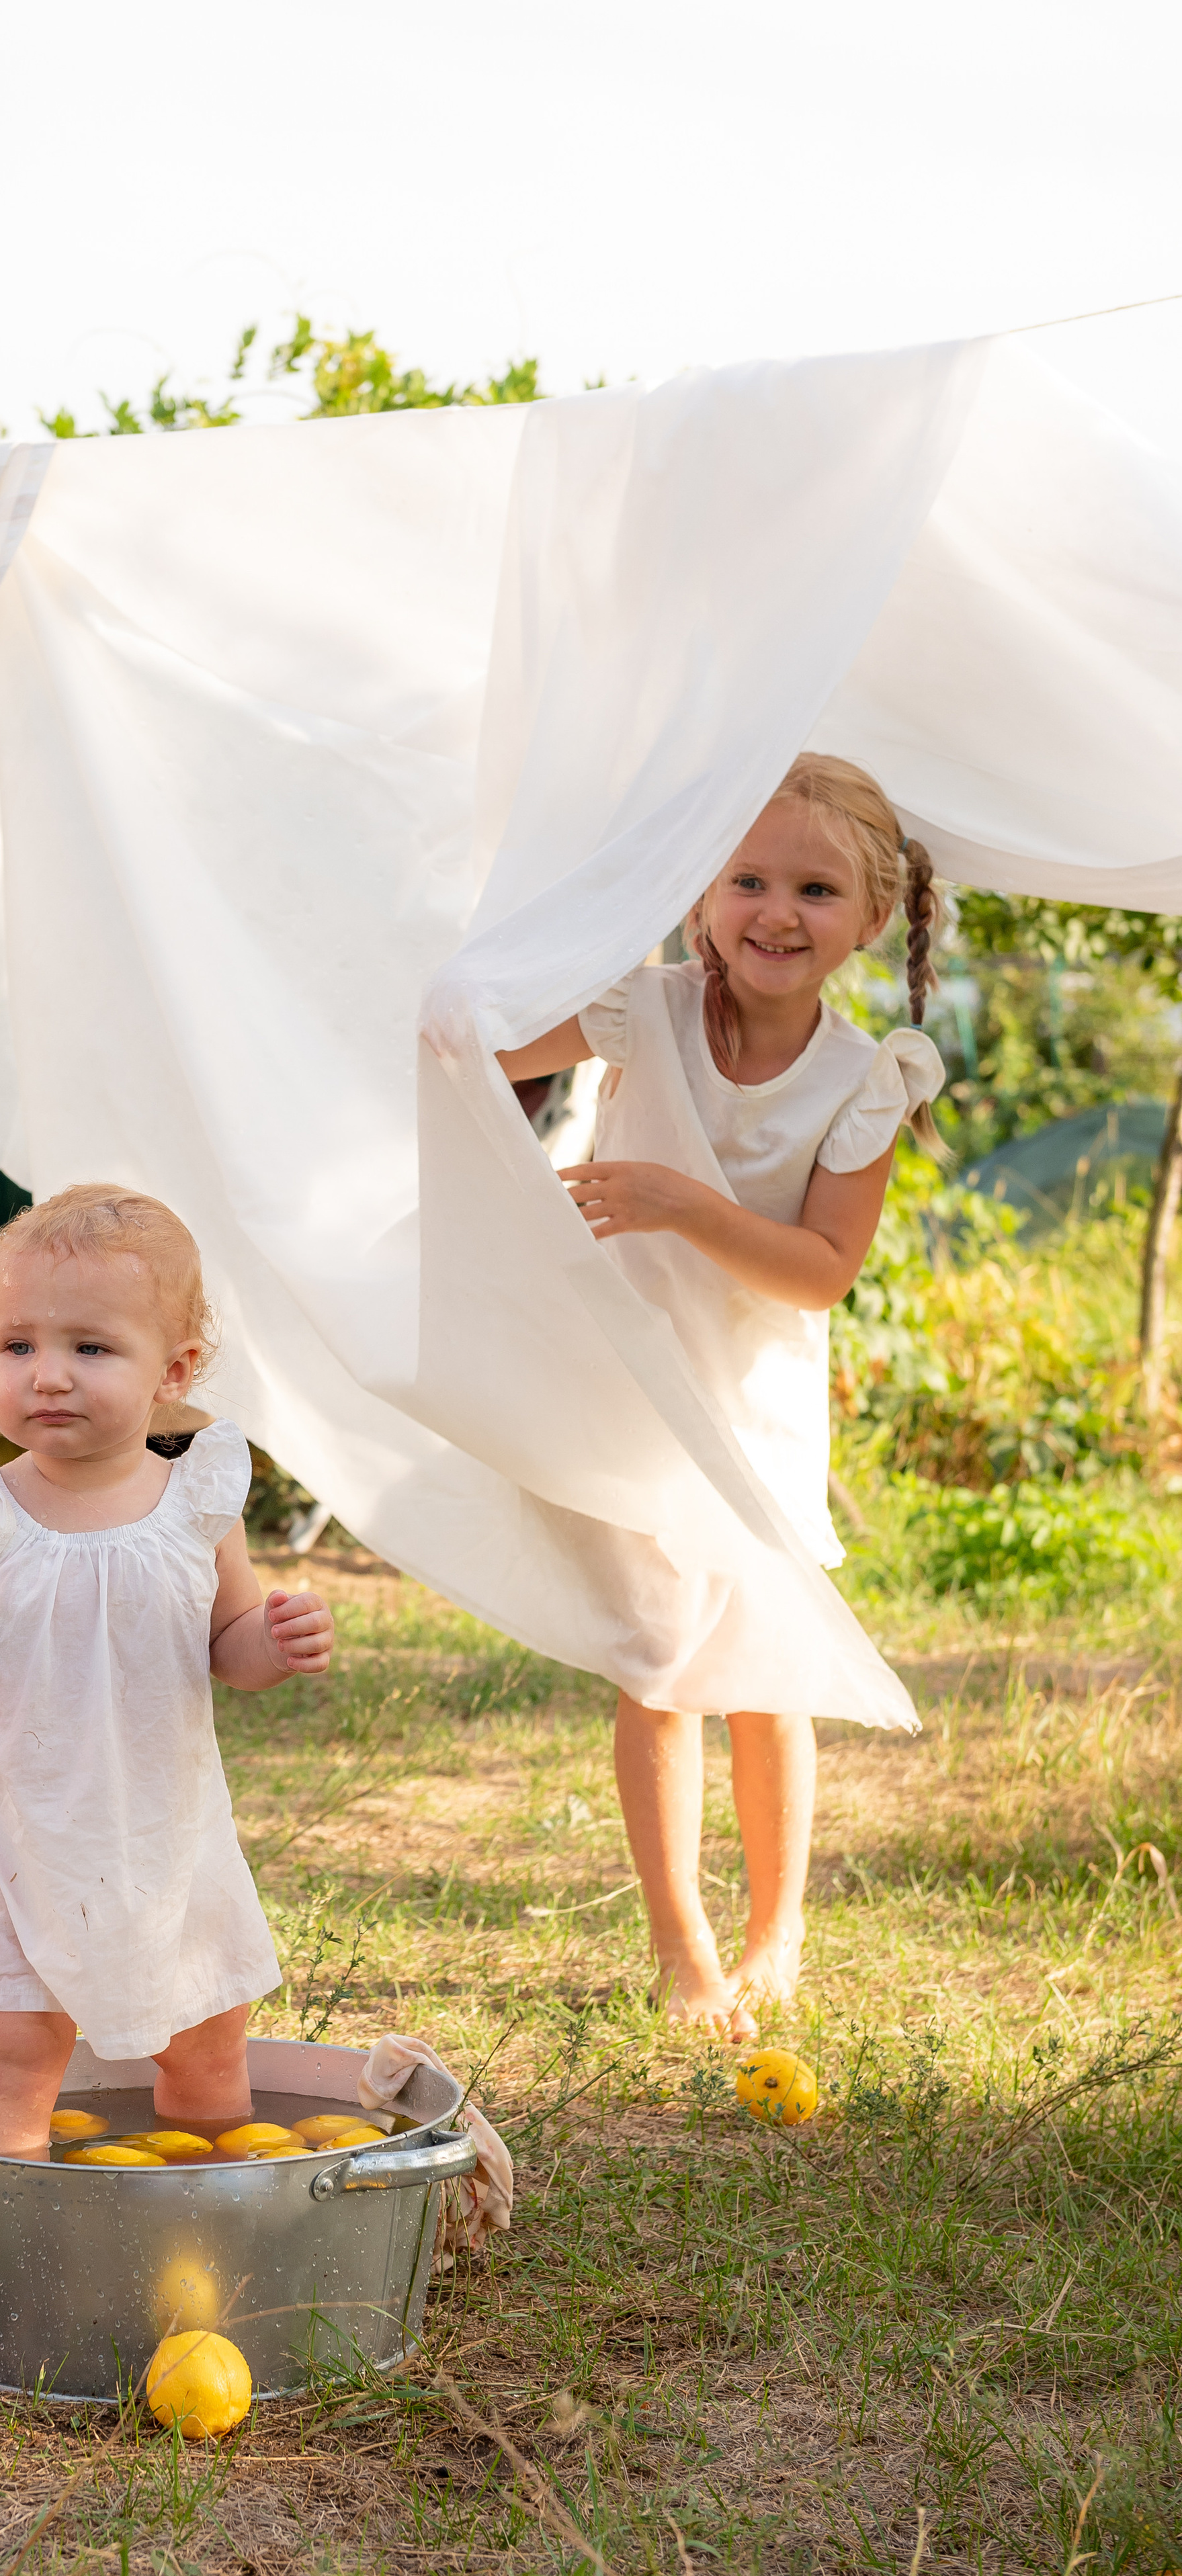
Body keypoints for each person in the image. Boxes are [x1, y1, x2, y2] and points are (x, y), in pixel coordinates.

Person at [496, 754, 945, 2040]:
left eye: (814, 887)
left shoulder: (865, 1077)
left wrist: (677, 1202)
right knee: (656, 1660)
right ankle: (682, 1942)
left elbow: (819, 1274)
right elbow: (473, 1042)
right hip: (630, 1387)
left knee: (765, 1669)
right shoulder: (643, 1014)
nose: (775, 911)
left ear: (869, 917)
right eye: (746, 878)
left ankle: (776, 1930)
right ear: (697, 893)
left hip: (752, 1399)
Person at [0, 1184, 334, 2155]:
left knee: (206, 2047)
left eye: (89, 1347)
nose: (48, 1374)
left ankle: (210, 2223)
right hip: (10, 1838)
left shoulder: (199, 1506)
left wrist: (275, 1643)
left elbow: (229, 1643)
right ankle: (7, 2253)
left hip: (163, 1840)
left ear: (176, 1369)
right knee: (10, 2058)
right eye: (18, 1346)